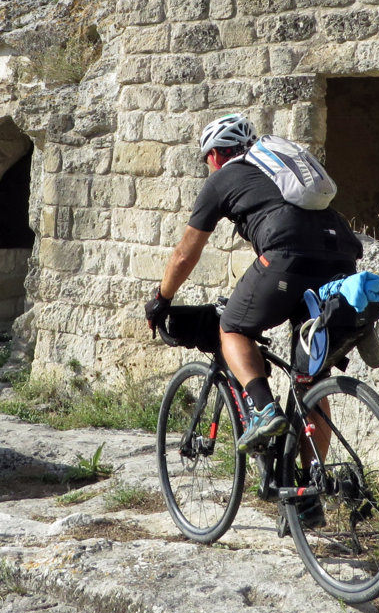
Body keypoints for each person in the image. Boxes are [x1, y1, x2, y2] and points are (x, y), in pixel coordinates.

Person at [144, 113, 362, 452]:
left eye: (207, 160)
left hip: (287, 259)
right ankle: (308, 494)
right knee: (309, 381)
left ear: (215, 154)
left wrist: (162, 297)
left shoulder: (224, 178)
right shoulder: (280, 170)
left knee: (231, 326)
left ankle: (263, 409)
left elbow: (185, 255)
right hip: (342, 259)